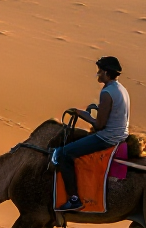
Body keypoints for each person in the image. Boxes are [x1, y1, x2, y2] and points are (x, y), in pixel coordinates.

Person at [51, 55, 130, 210]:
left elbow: (99, 125)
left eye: (100, 71)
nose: (98, 74)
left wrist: (81, 114)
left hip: (107, 137)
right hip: (121, 135)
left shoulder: (107, 92)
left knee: (64, 154)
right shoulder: (121, 89)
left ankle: (74, 199)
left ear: (106, 73)